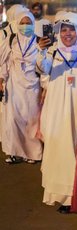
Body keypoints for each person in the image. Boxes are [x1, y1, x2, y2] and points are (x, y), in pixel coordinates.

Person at [36, 12, 77, 213]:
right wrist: (42, 52)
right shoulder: (53, 52)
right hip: (58, 111)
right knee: (60, 151)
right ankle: (64, 197)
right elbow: (43, 69)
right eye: (63, 30)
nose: (67, 34)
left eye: (71, 29)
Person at [0, 10, 42, 164]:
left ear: (33, 23)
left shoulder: (38, 41)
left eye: (28, 23)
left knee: (32, 120)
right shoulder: (11, 40)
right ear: (17, 24)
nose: (25, 26)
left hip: (33, 87)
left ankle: (32, 153)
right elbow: (3, 61)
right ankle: (13, 152)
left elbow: (43, 65)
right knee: (13, 119)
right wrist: (1, 79)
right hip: (14, 86)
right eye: (22, 23)